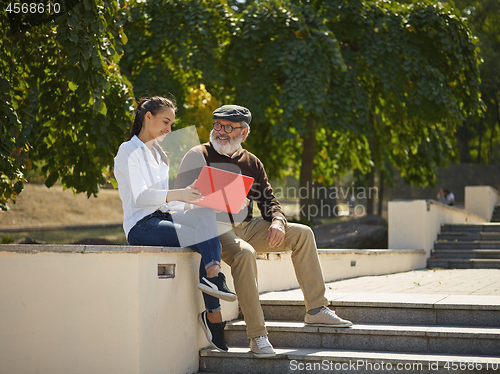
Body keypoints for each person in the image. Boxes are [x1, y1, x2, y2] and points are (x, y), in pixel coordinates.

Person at [175, 104, 353, 358]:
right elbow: (176, 201)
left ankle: (316, 310)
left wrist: (278, 221)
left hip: (247, 226)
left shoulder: (251, 162)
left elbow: (268, 200)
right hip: (214, 228)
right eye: (217, 125)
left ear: (244, 132)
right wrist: (198, 193)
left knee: (303, 234)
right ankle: (257, 336)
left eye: (229, 127)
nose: (221, 131)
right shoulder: (197, 154)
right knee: (245, 253)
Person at [113, 96, 237, 352]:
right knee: (205, 234)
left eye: (172, 124)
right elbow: (141, 196)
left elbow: (166, 203)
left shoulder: (160, 155)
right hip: (141, 226)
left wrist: (192, 199)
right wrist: (179, 193)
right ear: (148, 117)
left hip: (163, 217)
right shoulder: (128, 150)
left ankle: (213, 274)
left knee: (205, 215)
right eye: (165, 122)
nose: (169, 129)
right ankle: (213, 314)